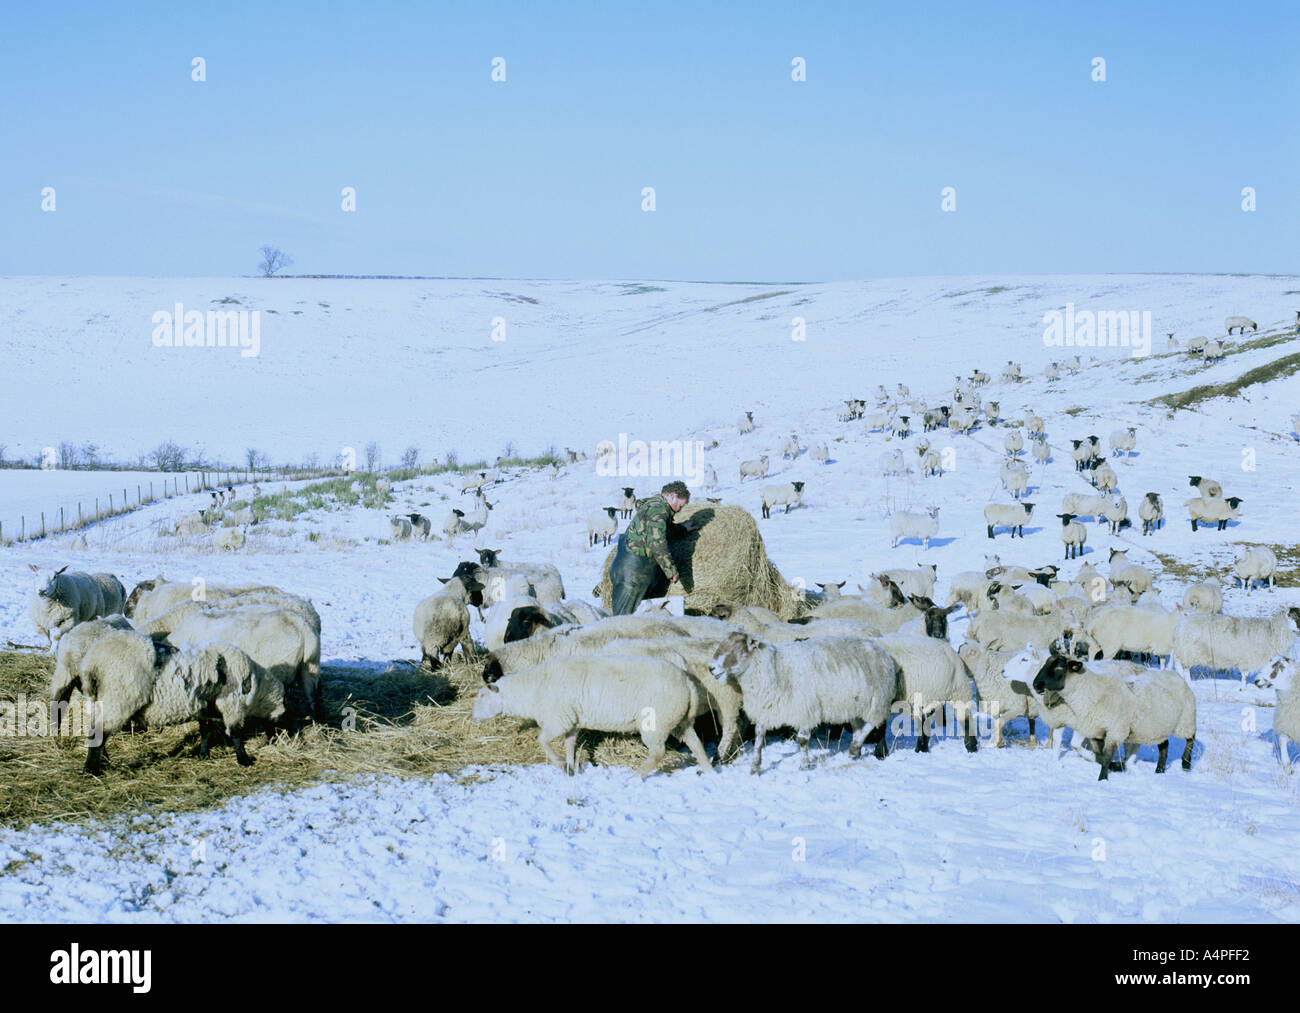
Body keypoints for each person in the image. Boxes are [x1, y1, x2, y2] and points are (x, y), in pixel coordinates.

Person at [609, 480, 694, 615]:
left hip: (634, 570)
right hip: (632, 574)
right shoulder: (658, 509)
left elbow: (661, 530)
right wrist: (671, 570)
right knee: (622, 621)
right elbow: (657, 541)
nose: (680, 509)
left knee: (639, 620)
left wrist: (682, 529)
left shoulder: (655, 506)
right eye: (680, 505)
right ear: (672, 496)